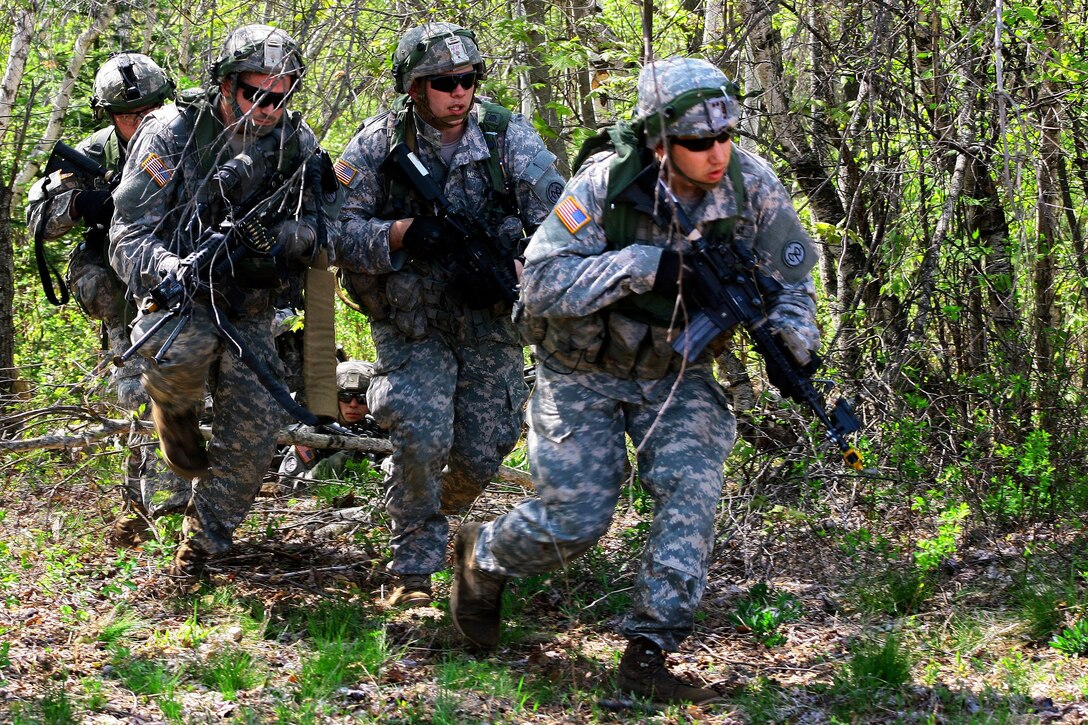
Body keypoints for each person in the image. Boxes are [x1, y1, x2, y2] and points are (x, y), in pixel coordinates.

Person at [450, 58, 822, 704]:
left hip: (675, 370)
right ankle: (483, 555)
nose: (716, 153)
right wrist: (645, 267)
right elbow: (538, 281)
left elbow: (794, 280)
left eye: (725, 136)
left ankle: (649, 650)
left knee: (694, 485)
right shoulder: (603, 185)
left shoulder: (751, 184)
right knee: (578, 516)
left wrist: (795, 341)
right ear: (658, 140)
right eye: (698, 142)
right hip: (581, 369)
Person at [335, 22, 566, 608]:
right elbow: (333, 233)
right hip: (413, 319)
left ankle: (428, 510)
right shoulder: (377, 144)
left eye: (467, 80)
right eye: (443, 82)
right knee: (421, 424)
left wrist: (524, 268)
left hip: (488, 314)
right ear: (413, 88)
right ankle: (412, 564)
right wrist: (403, 232)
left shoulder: (506, 136)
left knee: (488, 443)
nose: (458, 93)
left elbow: (560, 220)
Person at [109, 24, 334, 579]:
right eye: (256, 93)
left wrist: (286, 241)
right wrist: (167, 267)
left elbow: (326, 231)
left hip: (252, 305)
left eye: (281, 96)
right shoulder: (172, 133)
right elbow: (129, 231)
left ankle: (203, 547)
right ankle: (173, 411)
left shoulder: (296, 146)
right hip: (181, 298)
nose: (268, 108)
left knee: (255, 436)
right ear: (227, 85)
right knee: (179, 353)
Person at [25, 52, 189, 543]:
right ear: (108, 115)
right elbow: (38, 218)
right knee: (140, 396)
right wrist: (82, 203)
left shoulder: (190, 142)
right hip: (122, 293)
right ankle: (143, 507)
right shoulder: (95, 153)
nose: (137, 124)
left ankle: (187, 505)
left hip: (184, 286)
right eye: (125, 115)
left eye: (148, 112)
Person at [278, 360, 387, 486]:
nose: (353, 404)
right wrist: (325, 470)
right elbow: (286, 484)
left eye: (361, 398)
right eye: (345, 397)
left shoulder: (382, 430)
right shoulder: (314, 430)